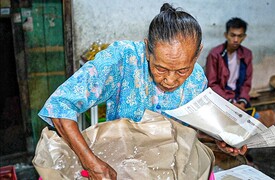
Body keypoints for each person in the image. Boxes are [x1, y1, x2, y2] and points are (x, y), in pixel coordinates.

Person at [38, 4, 247, 179]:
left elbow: (190, 132)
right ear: (148, 49)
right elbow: (60, 106)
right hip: (123, 165)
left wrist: (220, 140)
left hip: (173, 169)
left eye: (183, 70)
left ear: (197, 54)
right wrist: (91, 162)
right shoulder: (122, 59)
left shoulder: (197, 78)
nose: (171, 80)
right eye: (160, 68)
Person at [205, 17, 258, 117]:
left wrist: (242, 102)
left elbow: (246, 83)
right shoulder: (215, 54)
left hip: (239, 99)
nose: (236, 40)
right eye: (233, 35)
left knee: (255, 122)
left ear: (244, 37)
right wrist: (229, 102)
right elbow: (212, 84)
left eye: (240, 36)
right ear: (226, 35)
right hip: (221, 99)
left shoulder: (247, 54)